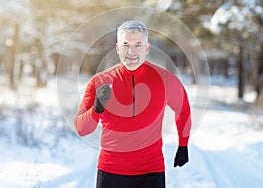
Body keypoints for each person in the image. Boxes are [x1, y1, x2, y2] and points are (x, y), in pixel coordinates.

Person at [74, 20, 191, 188]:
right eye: (125, 45)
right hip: (111, 172)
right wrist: (96, 109)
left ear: (147, 47)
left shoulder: (165, 80)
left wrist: (183, 145)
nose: (131, 52)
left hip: (151, 173)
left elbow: (184, 110)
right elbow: (82, 128)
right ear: (117, 48)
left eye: (138, 45)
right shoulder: (100, 81)